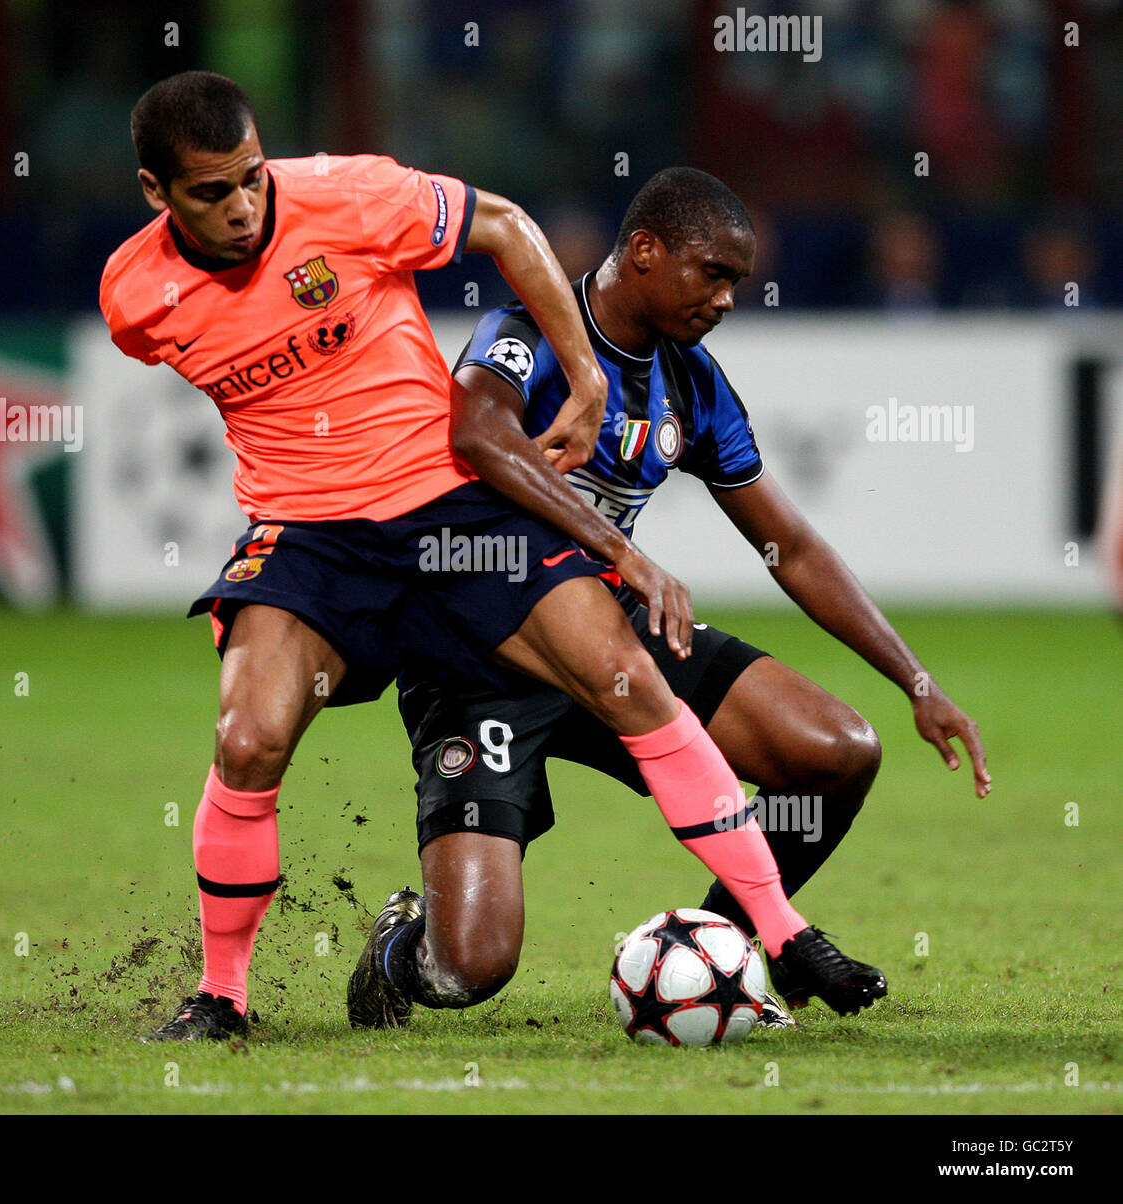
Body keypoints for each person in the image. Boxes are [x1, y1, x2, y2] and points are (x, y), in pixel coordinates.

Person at [101, 73, 883, 1041]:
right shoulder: (135, 299)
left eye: (253, 177)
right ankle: (222, 996)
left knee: (626, 675)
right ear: (155, 192)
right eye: (212, 193)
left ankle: (778, 927)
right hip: (307, 534)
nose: (244, 206)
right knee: (249, 738)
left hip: (443, 517)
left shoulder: (350, 194)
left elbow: (507, 225)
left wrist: (586, 374)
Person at [347, 167, 987, 1030]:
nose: (726, 299)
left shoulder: (694, 382)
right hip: (478, 661)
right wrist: (619, 549)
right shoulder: (527, 332)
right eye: (713, 273)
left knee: (837, 750)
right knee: (472, 966)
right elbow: (475, 430)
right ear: (643, 252)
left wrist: (917, 681)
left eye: (737, 282)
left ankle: (717, 957)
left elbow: (788, 546)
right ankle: (397, 952)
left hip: (610, 637)